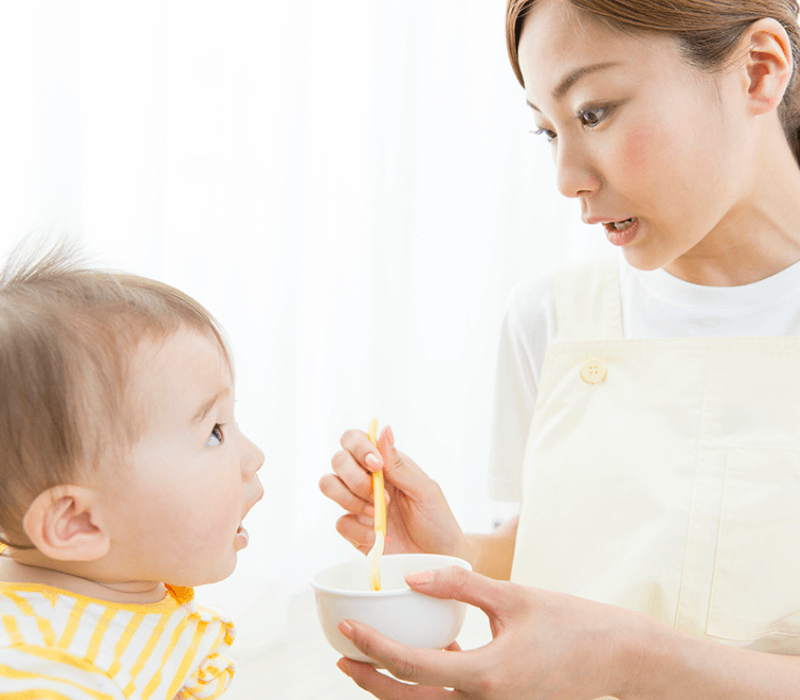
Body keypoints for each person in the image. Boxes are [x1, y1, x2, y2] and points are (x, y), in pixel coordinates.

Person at [319, 0, 800, 697]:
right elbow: (583, 551)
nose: (567, 177)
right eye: (547, 129)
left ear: (758, 70)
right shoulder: (548, 321)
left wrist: (625, 657)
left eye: (595, 112)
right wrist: (459, 558)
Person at [0, 240, 264, 699]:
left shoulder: (127, 585)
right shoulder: (44, 670)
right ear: (78, 522)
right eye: (214, 433)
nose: (254, 456)